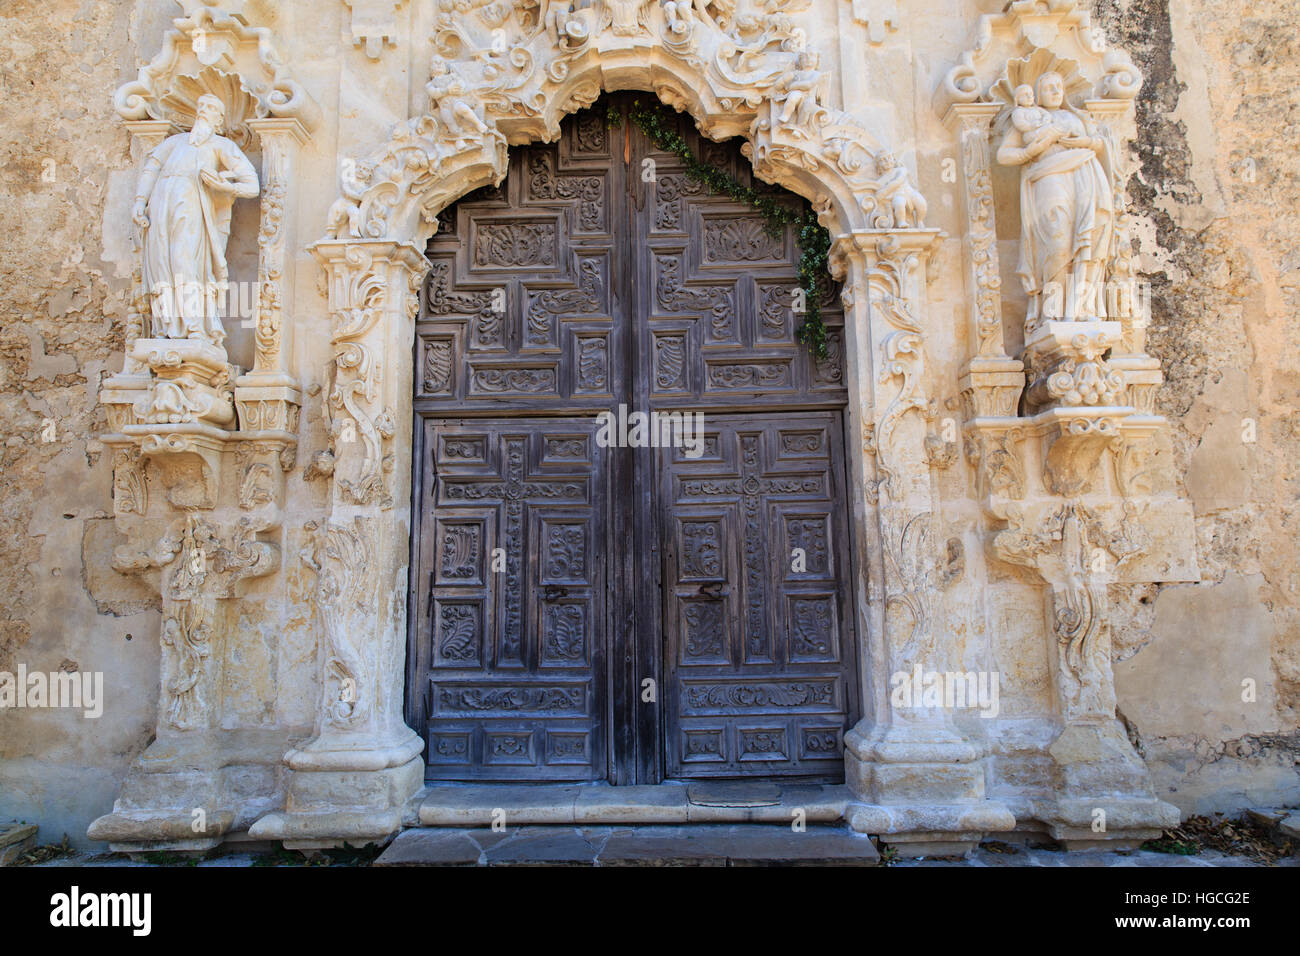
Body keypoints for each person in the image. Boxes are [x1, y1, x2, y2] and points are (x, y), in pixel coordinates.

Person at [132, 94, 259, 344]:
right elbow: (151, 169)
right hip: (160, 205)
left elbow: (252, 185)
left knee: (184, 261)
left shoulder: (221, 146)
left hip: (193, 209)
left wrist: (225, 185)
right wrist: (139, 200)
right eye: (200, 105)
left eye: (211, 107)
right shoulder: (176, 142)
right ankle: (166, 325)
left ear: (219, 119)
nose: (203, 110)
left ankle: (194, 326)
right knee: (161, 263)